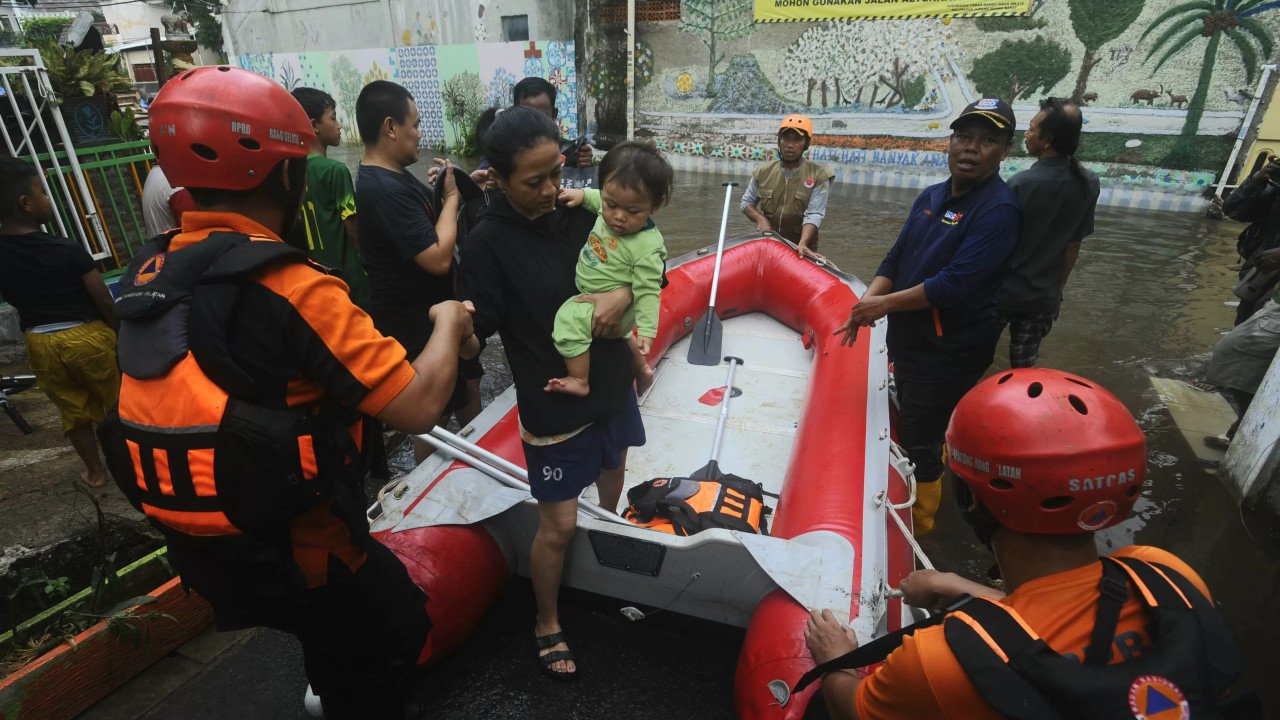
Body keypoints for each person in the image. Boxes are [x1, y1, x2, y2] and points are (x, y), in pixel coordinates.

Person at [101, 67, 476, 718]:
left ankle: (329, 679)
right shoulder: (296, 287)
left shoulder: (155, 270)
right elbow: (417, 405)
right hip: (306, 549)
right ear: (285, 177)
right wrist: (447, 322)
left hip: (202, 546)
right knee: (393, 631)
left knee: (325, 636)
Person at [803, 368, 1250, 719]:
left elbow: (853, 709)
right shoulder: (1165, 575)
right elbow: (1062, 622)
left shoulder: (937, 662)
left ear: (970, 500)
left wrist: (839, 658)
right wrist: (962, 587)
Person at [459, 106, 643, 681]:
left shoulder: (582, 212)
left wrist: (623, 295)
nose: (550, 190)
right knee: (558, 526)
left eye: (556, 174)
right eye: (533, 181)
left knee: (614, 469)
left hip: (609, 380)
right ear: (498, 178)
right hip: (554, 399)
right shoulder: (486, 242)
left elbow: (646, 257)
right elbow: (477, 334)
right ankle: (546, 619)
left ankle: (605, 537)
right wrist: (455, 329)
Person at [834, 98, 1021, 535]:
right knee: (918, 420)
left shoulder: (998, 211)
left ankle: (922, 527)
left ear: (1005, 151)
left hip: (948, 351)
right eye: (963, 137)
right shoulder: (932, 195)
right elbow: (896, 257)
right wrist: (865, 303)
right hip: (911, 339)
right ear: (950, 142)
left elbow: (954, 285)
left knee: (921, 437)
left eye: (987, 141)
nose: (971, 148)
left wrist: (882, 306)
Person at [355, 80, 481, 453]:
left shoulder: (391, 175)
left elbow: (425, 224)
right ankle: (425, 480)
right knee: (432, 413)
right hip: (414, 321)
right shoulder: (384, 190)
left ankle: (478, 455)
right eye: (416, 124)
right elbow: (438, 258)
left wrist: (459, 188)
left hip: (435, 312)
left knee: (463, 388)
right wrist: (452, 198)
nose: (420, 134)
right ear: (390, 127)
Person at [0, 157, 119, 488]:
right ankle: (135, 464)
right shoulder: (66, 248)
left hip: (40, 343)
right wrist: (120, 332)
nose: (47, 198)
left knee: (73, 411)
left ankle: (95, 472)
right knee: (117, 404)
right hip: (88, 337)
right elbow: (103, 300)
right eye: (42, 191)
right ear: (25, 204)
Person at [548, 141, 671, 397]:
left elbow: (649, 289)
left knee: (568, 317)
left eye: (633, 211)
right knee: (624, 336)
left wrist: (647, 331)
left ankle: (579, 379)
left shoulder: (646, 246)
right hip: (605, 299)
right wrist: (583, 195)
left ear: (655, 206)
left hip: (611, 307)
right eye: (611, 204)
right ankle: (643, 371)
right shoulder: (608, 206)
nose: (619, 217)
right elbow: (598, 199)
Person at [997, 98, 1100, 368]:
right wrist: (1057, 290)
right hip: (1044, 297)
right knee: (1024, 365)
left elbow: (995, 244)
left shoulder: (1020, 184)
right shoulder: (1089, 182)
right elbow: (1074, 245)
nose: (1026, 134)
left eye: (1032, 129)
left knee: (975, 354)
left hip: (1003, 293)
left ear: (1047, 140)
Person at [292, 86, 370, 308]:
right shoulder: (335, 170)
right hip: (347, 275)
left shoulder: (292, 171)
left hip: (313, 276)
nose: (339, 125)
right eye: (333, 118)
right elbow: (351, 226)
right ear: (314, 125)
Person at [739, 114, 833, 258]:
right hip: (769, 241)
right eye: (786, 139)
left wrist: (803, 242)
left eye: (797, 140)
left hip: (801, 247)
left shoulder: (819, 174)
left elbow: (814, 214)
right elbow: (746, 203)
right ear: (779, 141)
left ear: (806, 144)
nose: (790, 145)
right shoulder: (763, 171)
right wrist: (760, 219)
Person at [1204, 279, 1280, 450]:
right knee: (1254, 367)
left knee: (1229, 351)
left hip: (1275, 315)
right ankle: (1244, 422)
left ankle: (1246, 424)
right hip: (1273, 307)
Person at [1224, 154, 1280, 325]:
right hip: (1259, 283)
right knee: (1241, 333)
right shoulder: (1274, 189)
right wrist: (1256, 181)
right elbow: (1233, 211)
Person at [140, 162, 194, 237]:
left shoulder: (156, 173)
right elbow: (193, 231)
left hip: (161, 241)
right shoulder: (177, 183)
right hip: (176, 242)